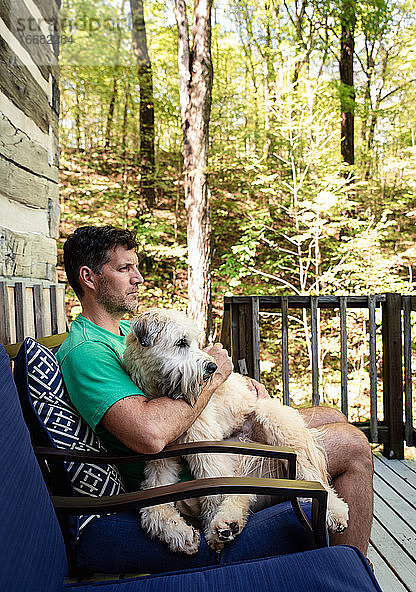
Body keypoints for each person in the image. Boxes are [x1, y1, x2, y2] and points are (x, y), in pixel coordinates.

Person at [57, 225, 373, 573]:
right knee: (353, 445)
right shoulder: (88, 352)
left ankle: (319, 561)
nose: (139, 278)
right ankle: (348, 576)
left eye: (136, 267)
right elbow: (149, 434)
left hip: (214, 435)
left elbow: (174, 376)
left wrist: (233, 383)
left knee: (330, 413)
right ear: (89, 277)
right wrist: (215, 376)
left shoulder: (118, 334)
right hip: (190, 475)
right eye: (124, 268)